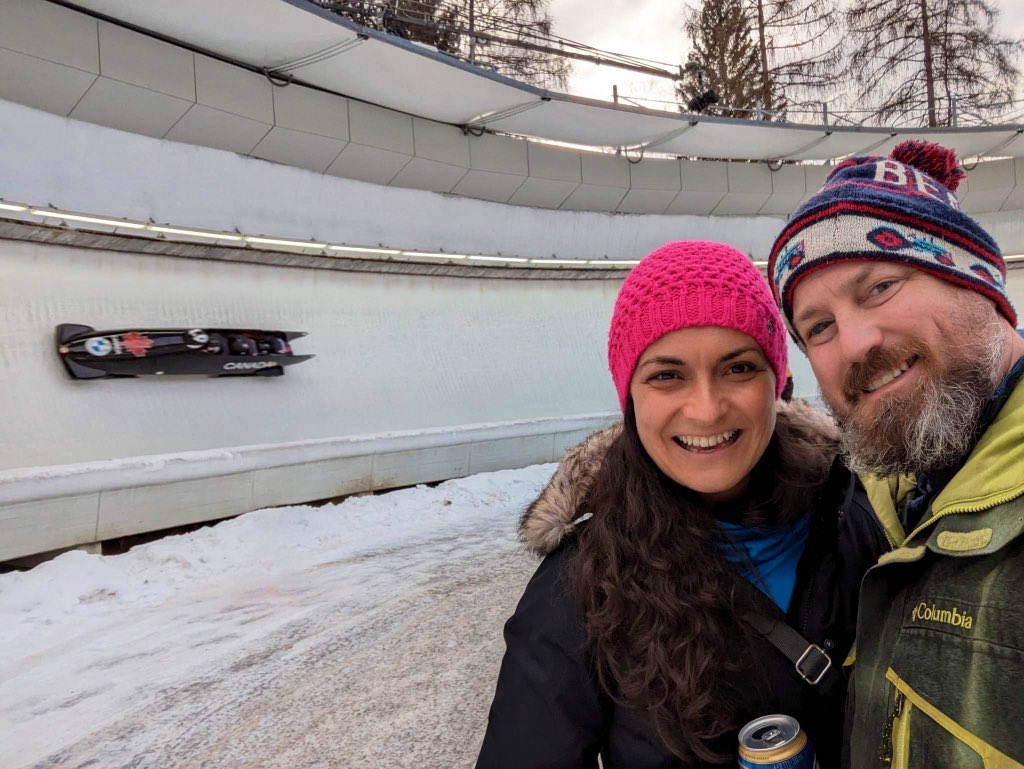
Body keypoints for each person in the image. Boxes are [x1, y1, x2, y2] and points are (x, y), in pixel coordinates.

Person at [476, 241, 890, 767]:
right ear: (631, 399)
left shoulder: (856, 508)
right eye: (667, 376)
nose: (706, 408)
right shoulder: (579, 587)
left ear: (777, 383)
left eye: (738, 368)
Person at [768, 140, 1024, 767]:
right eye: (818, 328)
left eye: (880, 285)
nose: (853, 344)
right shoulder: (873, 494)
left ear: (981, 287)